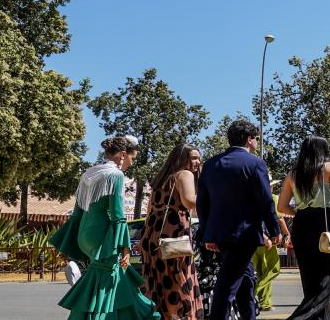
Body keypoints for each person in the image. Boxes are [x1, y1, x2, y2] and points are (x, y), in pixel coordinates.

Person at [50, 136, 159, 320]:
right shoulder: (115, 175)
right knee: (109, 280)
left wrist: (66, 243)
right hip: (102, 237)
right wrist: (125, 247)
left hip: (84, 235)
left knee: (105, 279)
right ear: (123, 155)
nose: (131, 163)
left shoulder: (89, 174)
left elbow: (77, 212)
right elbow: (117, 215)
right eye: (132, 158)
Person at [197, 119, 283, 320]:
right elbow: (265, 201)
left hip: (219, 234)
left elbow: (202, 203)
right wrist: (275, 229)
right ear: (248, 139)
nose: (256, 143)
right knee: (226, 286)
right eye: (255, 139)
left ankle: (249, 316)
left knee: (245, 281)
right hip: (244, 234)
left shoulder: (210, 165)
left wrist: (208, 233)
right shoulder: (255, 163)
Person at [277, 135, 330, 320]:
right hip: (323, 221)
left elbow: (282, 207)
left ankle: (324, 318)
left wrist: (300, 212)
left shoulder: (293, 174)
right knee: (328, 277)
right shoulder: (329, 168)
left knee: (309, 278)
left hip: (301, 224)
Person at [140, 143, 203, 320]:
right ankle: (177, 316)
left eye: (198, 157)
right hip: (174, 235)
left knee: (157, 281)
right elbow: (190, 201)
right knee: (177, 280)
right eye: (192, 158)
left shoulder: (162, 178)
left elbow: (150, 210)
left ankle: (161, 315)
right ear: (181, 159)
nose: (197, 161)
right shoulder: (184, 174)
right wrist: (212, 196)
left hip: (153, 235)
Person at [252, 183, 290, 312]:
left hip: (252, 239)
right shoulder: (272, 197)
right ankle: (252, 293)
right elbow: (279, 218)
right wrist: (286, 233)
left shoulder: (250, 196)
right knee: (273, 270)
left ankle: (265, 303)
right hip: (269, 239)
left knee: (260, 272)